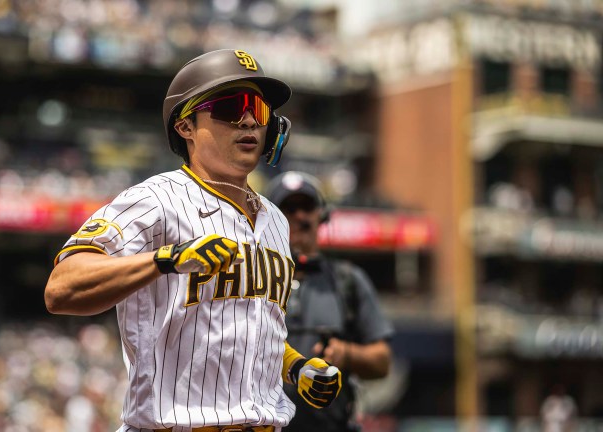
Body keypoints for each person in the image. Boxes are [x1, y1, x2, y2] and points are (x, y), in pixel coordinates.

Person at [44, 49, 342, 432]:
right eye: (231, 107)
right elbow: (61, 287)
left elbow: (249, 323)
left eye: (260, 109)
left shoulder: (276, 221)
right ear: (185, 126)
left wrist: (294, 365)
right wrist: (165, 259)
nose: (250, 119)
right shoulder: (157, 199)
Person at [265, 171, 394, 432]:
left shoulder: (347, 280)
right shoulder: (253, 278)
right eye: (287, 208)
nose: (299, 216)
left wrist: (346, 354)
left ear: (322, 215)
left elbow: (382, 362)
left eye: (306, 207)